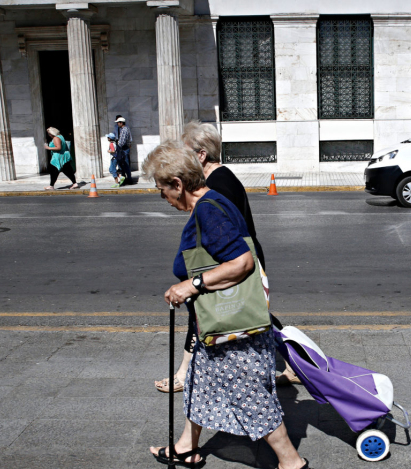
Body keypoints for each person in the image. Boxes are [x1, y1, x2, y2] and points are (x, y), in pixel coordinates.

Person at [143, 140, 310, 469]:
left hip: (232, 329)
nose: (163, 197)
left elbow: (242, 262)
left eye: (162, 189)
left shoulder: (208, 211)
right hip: (214, 325)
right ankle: (186, 448)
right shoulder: (214, 200)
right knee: (198, 384)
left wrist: (190, 286)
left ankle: (291, 462)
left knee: (251, 396)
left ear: (178, 184)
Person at [154, 121, 300, 394]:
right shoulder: (221, 179)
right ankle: (301, 362)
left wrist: (194, 282)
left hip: (234, 263)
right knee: (257, 316)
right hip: (239, 261)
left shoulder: (215, 187)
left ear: (200, 155)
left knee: (221, 318)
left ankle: (185, 375)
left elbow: (231, 247)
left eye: (186, 154)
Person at [115, 116, 133, 185]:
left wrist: (117, 144)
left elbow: (122, 142)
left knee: (124, 164)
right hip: (125, 148)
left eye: (118, 123)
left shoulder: (124, 130)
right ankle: (126, 178)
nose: (117, 124)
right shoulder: (126, 129)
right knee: (124, 164)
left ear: (121, 123)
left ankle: (128, 179)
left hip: (123, 149)